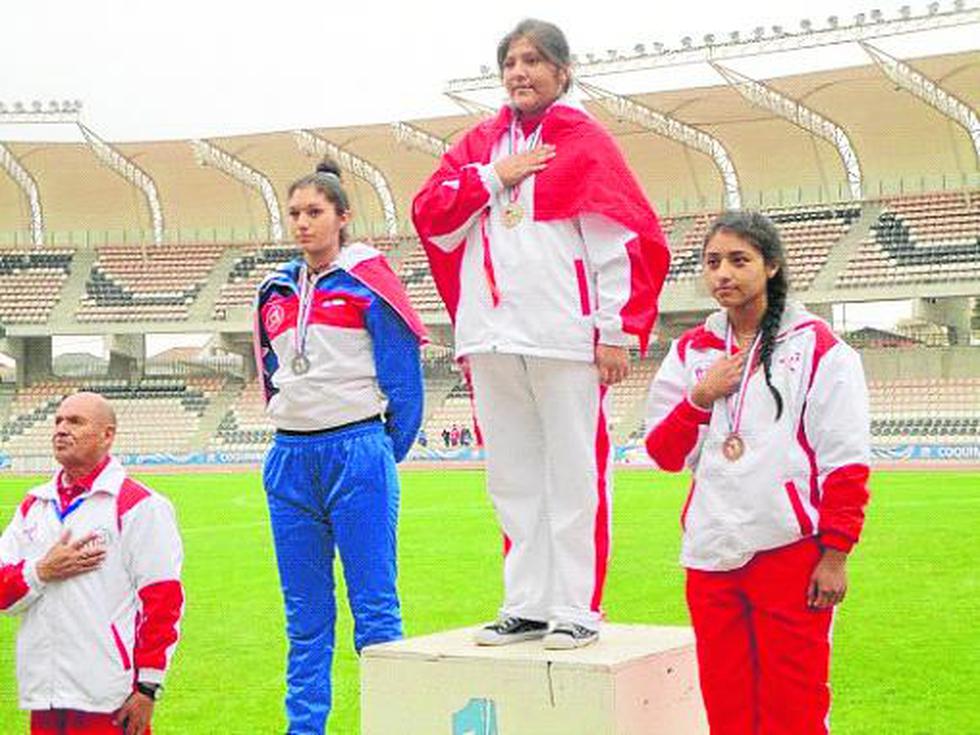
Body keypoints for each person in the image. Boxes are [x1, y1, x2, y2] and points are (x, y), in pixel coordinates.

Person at [413, 18, 670, 649]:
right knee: (512, 474)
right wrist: (496, 175)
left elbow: (615, 238)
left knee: (575, 470)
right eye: (510, 63)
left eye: (533, 60)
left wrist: (612, 331)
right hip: (490, 334)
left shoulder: (583, 140)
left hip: (563, 334)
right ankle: (526, 602)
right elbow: (432, 215)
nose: (519, 72)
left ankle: (577, 605)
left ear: (562, 70)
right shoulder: (478, 144)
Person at [643, 211, 871, 734]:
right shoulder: (691, 351)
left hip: (788, 548)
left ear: (771, 266)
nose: (723, 273)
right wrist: (699, 398)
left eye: (739, 260)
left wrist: (835, 554)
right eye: (712, 262)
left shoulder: (819, 349)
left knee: (795, 705)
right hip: (710, 551)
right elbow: (663, 453)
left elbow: (846, 459)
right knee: (726, 706)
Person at [254, 158, 426, 734]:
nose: (303, 223)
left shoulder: (369, 280)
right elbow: (269, 373)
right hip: (289, 457)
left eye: (315, 212)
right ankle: (304, 729)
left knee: (375, 610)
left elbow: (404, 379)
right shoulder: (273, 289)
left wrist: (376, 450)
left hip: (357, 449)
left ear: (342, 217)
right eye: (295, 213)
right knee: (305, 618)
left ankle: (390, 724)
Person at [0, 392, 184, 735]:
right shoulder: (33, 506)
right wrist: (41, 572)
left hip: (108, 698)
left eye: (75, 421)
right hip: (45, 695)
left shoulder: (140, 505)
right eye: (58, 421)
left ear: (107, 435)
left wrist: (148, 687)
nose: (61, 429)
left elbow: (163, 602)